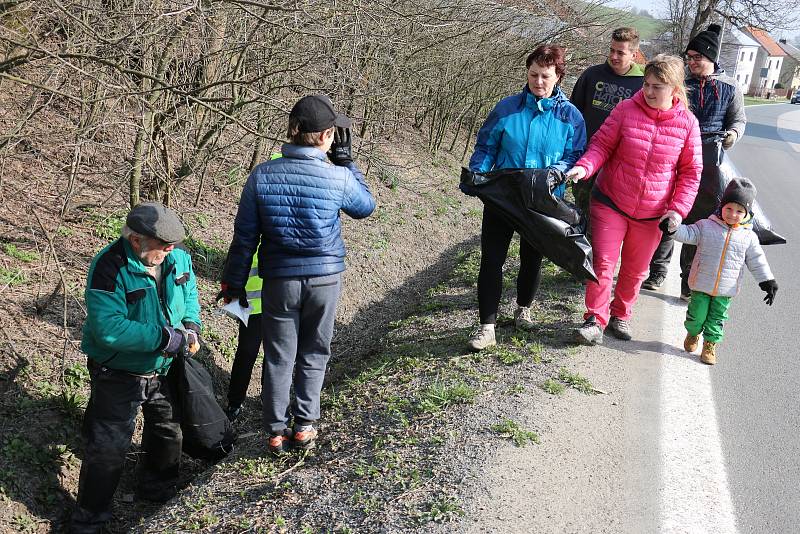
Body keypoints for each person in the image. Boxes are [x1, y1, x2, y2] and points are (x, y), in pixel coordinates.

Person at [221, 94, 375, 455]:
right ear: (325, 136)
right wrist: (348, 163)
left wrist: (233, 283)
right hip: (324, 278)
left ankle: (275, 432)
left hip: (279, 280)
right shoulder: (337, 176)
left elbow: (244, 237)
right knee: (314, 351)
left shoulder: (262, 175)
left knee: (278, 355)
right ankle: (304, 425)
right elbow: (365, 207)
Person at [71, 203, 201, 533]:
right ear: (136, 240)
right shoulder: (109, 266)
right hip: (117, 371)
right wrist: (165, 338)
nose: (170, 250)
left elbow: (189, 294)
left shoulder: (177, 255)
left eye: (173, 244)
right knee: (108, 448)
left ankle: (157, 494)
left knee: (167, 430)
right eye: (163, 245)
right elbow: (109, 328)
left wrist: (190, 325)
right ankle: (90, 520)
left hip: (165, 367)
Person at [566, 54, 702, 345]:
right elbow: (601, 145)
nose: (649, 92)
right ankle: (594, 320)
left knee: (636, 269)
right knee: (602, 262)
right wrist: (584, 166)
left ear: (675, 89)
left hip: (653, 211)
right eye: (647, 84)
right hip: (612, 200)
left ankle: (621, 314)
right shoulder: (626, 109)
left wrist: (677, 211)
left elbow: (691, 173)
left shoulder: (688, 124)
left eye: (658, 86)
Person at [466, 44, 587, 352]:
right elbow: (486, 146)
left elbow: (575, 154)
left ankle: (524, 309)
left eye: (545, 76)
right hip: (504, 197)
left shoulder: (570, 116)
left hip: (543, 200)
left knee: (532, 257)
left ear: (558, 76)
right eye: (533, 74)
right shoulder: (506, 108)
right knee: (492, 258)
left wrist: (556, 173)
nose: (538, 82)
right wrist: (479, 175)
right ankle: (487, 327)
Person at [642, 24, 747, 295]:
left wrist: (734, 133)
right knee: (668, 214)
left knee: (698, 223)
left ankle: (688, 282)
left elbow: (738, 119)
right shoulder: (682, 85)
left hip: (710, 161)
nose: (691, 62)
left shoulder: (730, 86)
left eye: (696, 57)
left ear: (710, 57)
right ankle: (657, 272)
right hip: (675, 153)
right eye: (689, 57)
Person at [666, 177, 777, 364]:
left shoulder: (748, 237)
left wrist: (767, 281)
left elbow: (757, 261)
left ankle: (710, 344)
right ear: (721, 207)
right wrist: (671, 229)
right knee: (696, 317)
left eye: (739, 211)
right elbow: (688, 233)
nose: (733, 214)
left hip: (726, 290)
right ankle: (693, 334)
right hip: (701, 284)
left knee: (717, 319)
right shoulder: (705, 226)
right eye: (729, 208)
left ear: (747, 213)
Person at [570, 27, 644, 234]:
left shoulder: (642, 85)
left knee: (606, 214)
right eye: (611, 50)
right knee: (581, 208)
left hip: (620, 164)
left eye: (620, 52)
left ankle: (597, 256)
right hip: (587, 157)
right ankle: (577, 252)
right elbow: (572, 113)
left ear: (634, 54)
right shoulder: (592, 75)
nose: (613, 56)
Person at [218, 256, 262, 422]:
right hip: (252, 306)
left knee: (274, 355)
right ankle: (234, 403)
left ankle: (269, 397)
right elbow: (233, 262)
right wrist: (230, 291)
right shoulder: (249, 234)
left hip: (279, 304)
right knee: (246, 354)